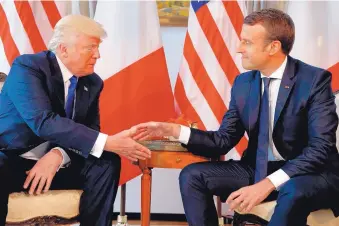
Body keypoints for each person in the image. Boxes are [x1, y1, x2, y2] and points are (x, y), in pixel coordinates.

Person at [133, 8, 339, 226]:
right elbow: (222, 141)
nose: (239, 49)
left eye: (247, 42)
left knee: (292, 190)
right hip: (258, 168)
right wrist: (174, 131)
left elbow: (320, 149)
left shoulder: (314, 80)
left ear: (273, 47)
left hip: (311, 174)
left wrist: (268, 183)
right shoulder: (243, 83)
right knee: (192, 176)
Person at [0, 15, 151, 226]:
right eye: (90, 48)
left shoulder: (93, 82)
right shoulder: (29, 67)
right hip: (11, 159)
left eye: (97, 48)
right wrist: (109, 142)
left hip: (55, 166)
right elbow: (43, 121)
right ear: (63, 49)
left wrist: (57, 155)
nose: (97, 55)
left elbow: (89, 129)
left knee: (106, 162)